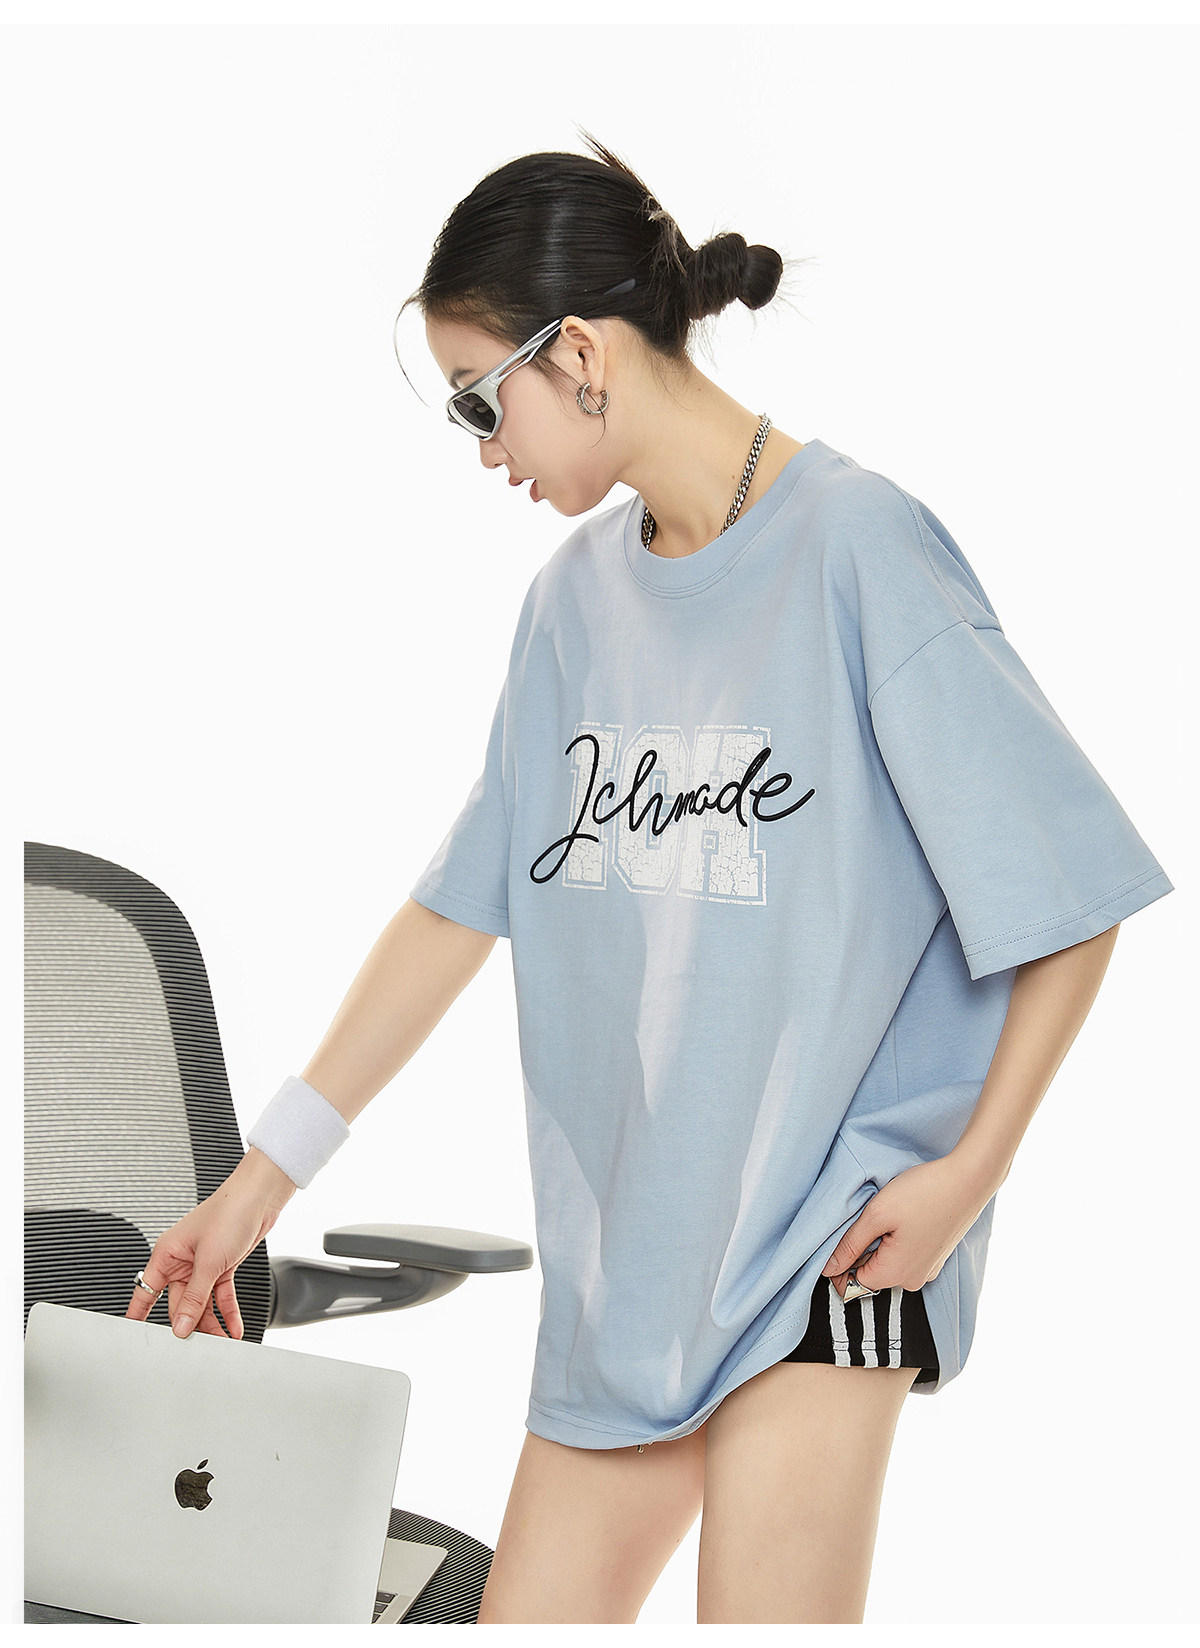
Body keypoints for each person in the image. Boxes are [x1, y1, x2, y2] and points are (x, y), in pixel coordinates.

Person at [125, 130, 1174, 1624]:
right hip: (636, 1266)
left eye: (481, 399)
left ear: (580, 356)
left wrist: (970, 1174)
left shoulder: (859, 549)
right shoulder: (571, 606)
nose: (485, 451)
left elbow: (1070, 899)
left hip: (835, 1248)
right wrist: (257, 1184)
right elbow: (455, 909)